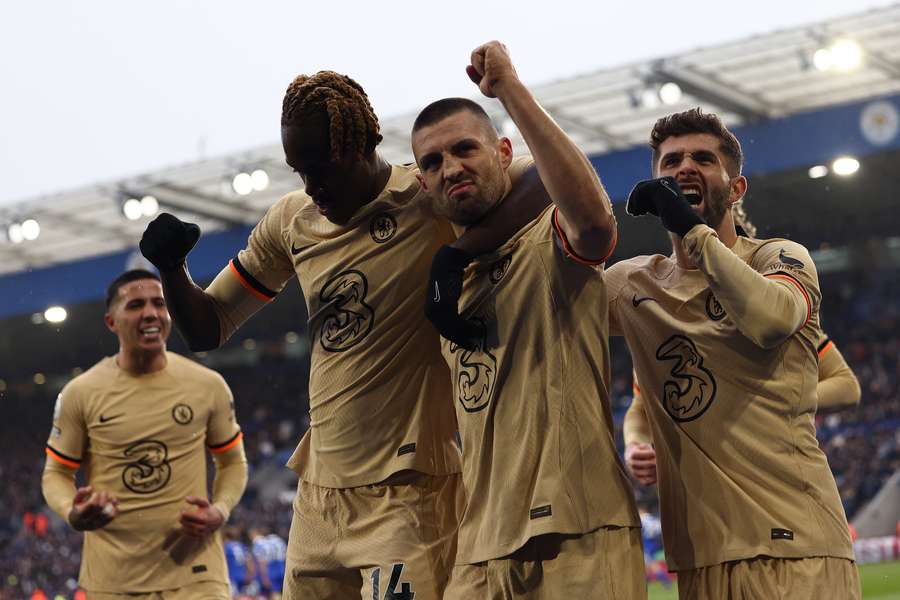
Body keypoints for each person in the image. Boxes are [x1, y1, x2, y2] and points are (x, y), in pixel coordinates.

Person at [139, 70, 548, 598]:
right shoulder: (291, 222)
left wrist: (456, 253)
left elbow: (543, 180)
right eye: (299, 170)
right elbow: (207, 327)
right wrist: (173, 269)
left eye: (322, 167)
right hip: (318, 495)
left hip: (411, 492)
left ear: (364, 144)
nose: (312, 186)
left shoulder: (426, 195)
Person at [412, 41, 644, 598]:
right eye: (433, 162)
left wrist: (508, 89)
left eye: (466, 149)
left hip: (576, 531)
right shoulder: (447, 283)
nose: (452, 168)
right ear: (422, 183)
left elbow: (593, 218)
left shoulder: (549, 241)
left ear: (503, 152)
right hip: (479, 547)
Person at [605, 107, 861, 598]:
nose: (684, 168)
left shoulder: (777, 258)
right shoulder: (633, 284)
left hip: (794, 547)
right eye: (671, 161)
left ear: (736, 188)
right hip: (700, 558)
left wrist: (693, 230)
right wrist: (637, 442)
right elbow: (549, 320)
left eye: (703, 158)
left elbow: (769, 321)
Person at [41, 269, 248, 599]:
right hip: (112, 581)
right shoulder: (80, 393)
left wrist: (220, 509)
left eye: (159, 304)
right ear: (112, 321)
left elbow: (233, 462)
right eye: (136, 305)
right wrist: (72, 511)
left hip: (197, 576)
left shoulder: (207, 385)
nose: (150, 313)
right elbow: (56, 473)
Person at [624, 211, 862, 485]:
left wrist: (768, 400)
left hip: (774, 479)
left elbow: (846, 386)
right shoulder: (663, 320)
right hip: (700, 491)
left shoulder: (773, 311)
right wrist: (635, 445)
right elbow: (641, 407)